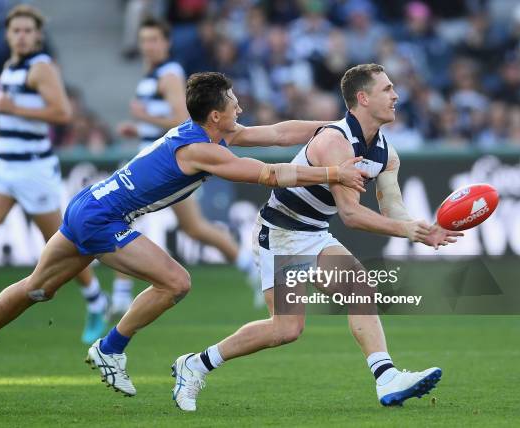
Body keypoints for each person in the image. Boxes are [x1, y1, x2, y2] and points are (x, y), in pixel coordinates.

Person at [0, 71, 368, 402]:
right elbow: (271, 174)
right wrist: (334, 171)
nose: (240, 104)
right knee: (176, 282)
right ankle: (110, 347)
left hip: (87, 204)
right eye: (233, 101)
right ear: (216, 114)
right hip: (103, 219)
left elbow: (277, 133)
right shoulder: (203, 149)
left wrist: (336, 128)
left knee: (38, 288)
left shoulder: (210, 131)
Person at [171, 64, 464, 411]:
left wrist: (422, 228)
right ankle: (196, 364)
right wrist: (407, 231)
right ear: (363, 97)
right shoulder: (334, 142)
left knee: (338, 299)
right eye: (387, 89)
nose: (396, 95)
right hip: (279, 232)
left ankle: (386, 379)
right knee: (290, 326)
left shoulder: (386, 151)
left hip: (311, 231)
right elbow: (351, 214)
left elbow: (393, 208)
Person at [0, 5, 109, 346]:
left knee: (64, 245)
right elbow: (19, 122)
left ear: (38, 35)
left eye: (29, 30)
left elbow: (62, 112)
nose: (23, 35)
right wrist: (1, 143)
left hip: (34, 169)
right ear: (8, 35)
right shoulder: (9, 66)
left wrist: (14, 109)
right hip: (4, 164)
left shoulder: (41, 66)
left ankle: (97, 303)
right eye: (17, 30)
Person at [114, 17, 263, 313]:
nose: (149, 46)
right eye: (144, 40)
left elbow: (182, 121)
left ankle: (119, 296)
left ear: (167, 42)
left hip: (173, 163)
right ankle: (251, 268)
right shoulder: (152, 73)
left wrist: (144, 118)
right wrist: (139, 128)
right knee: (193, 227)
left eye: (155, 39)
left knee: (125, 218)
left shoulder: (168, 73)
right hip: (159, 160)